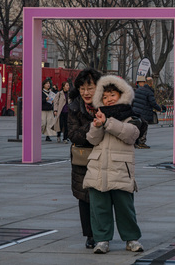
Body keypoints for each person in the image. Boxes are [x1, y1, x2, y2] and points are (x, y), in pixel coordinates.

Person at [83, 75, 144, 254]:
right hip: (98, 169)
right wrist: (96, 126)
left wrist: (107, 122)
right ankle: (102, 240)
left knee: (125, 208)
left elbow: (131, 135)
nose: (108, 100)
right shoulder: (99, 116)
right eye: (105, 97)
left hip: (120, 169)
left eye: (112, 95)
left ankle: (131, 238)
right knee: (99, 208)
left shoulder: (130, 116)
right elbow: (92, 140)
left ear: (122, 95)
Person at [68, 68, 102, 249]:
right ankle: (90, 234)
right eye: (82, 88)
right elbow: (73, 135)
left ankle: (103, 233)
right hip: (83, 160)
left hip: (104, 157)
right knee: (85, 197)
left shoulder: (108, 104)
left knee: (103, 197)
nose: (86, 92)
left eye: (90, 88)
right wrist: (95, 125)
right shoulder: (74, 107)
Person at [132, 76, 165, 149]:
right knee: (144, 127)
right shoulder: (149, 91)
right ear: (151, 83)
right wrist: (159, 109)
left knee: (137, 127)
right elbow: (153, 103)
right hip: (144, 111)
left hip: (135, 111)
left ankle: (135, 142)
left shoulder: (138, 90)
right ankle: (141, 142)